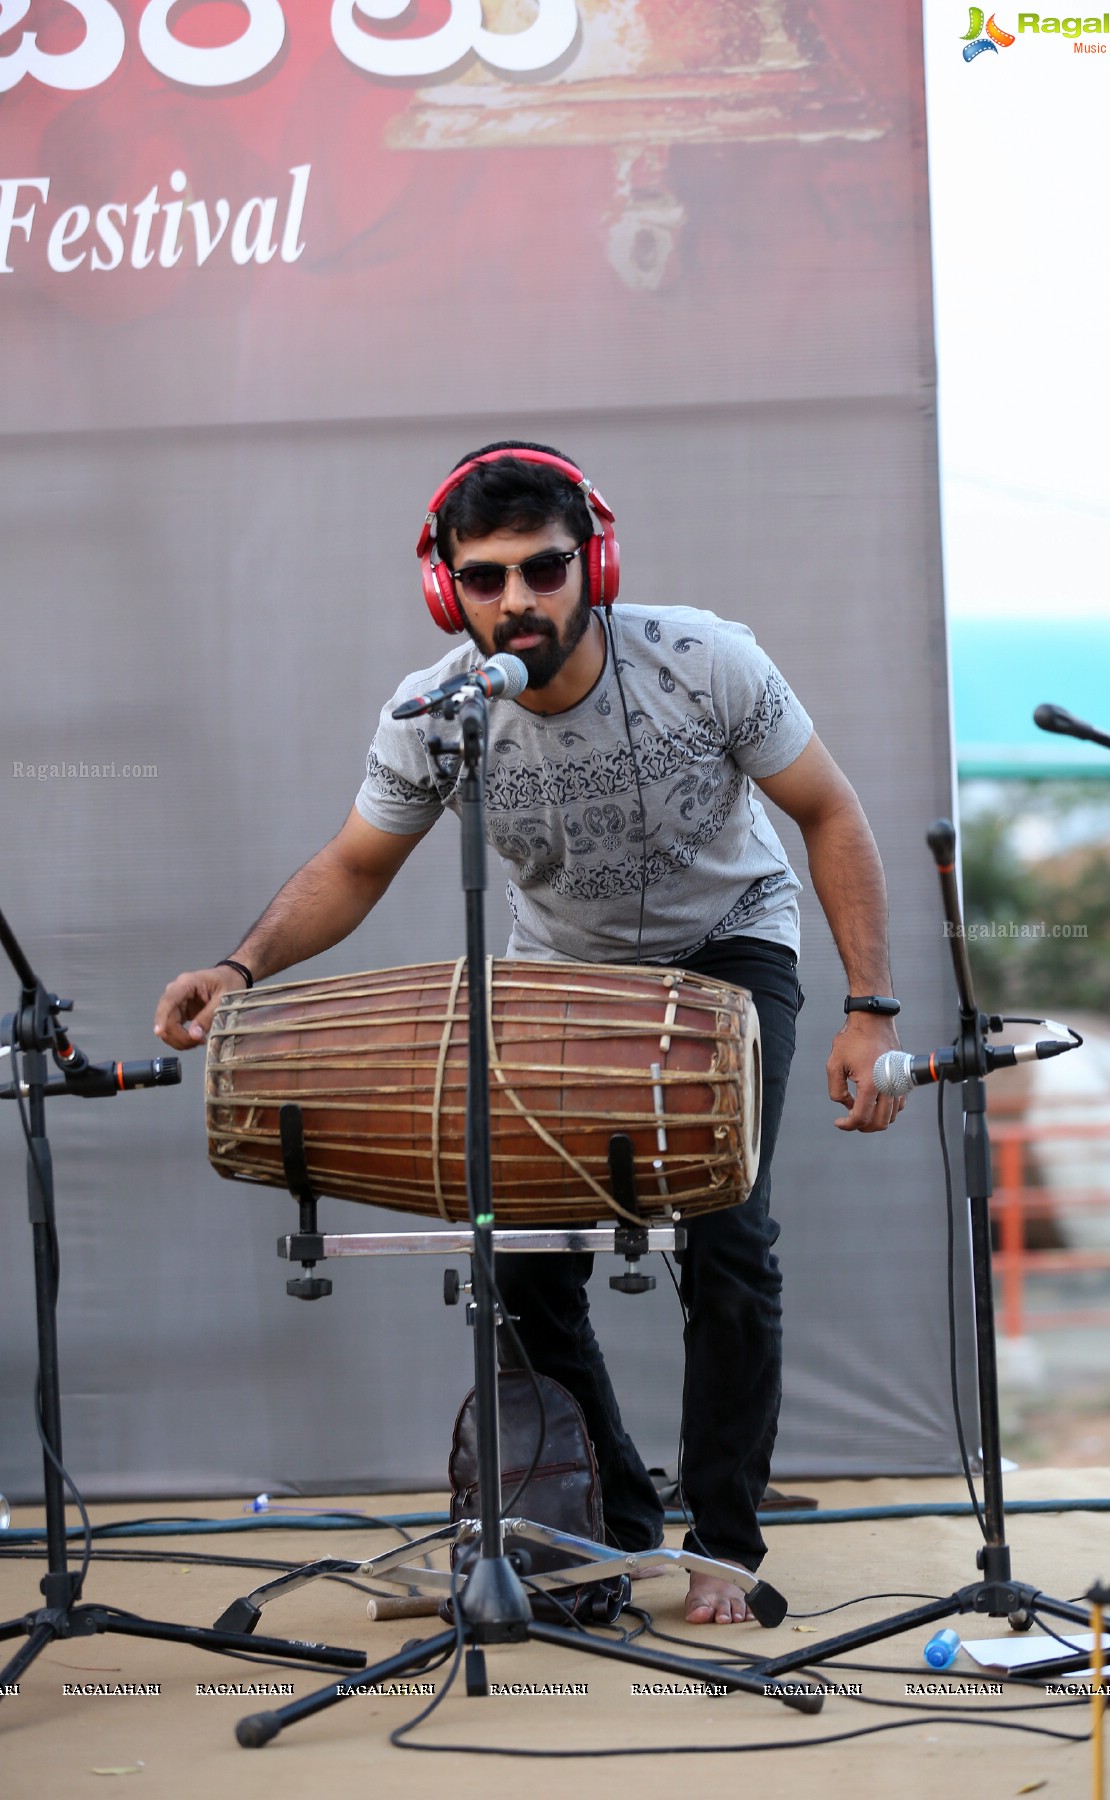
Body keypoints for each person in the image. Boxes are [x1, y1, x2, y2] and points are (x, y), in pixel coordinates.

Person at [154, 441, 904, 1626]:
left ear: (591, 563)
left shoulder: (707, 661)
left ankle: (725, 1538)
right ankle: (605, 1524)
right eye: (488, 577)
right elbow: (356, 863)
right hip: (563, 978)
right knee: (517, 1250)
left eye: (545, 570)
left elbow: (828, 810)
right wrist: (239, 966)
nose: (518, 601)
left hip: (731, 948)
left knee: (727, 1237)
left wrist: (868, 1007)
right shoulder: (432, 714)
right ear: (449, 588)